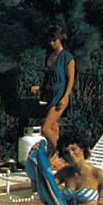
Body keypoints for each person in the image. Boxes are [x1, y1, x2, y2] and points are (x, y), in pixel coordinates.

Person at [30, 25, 75, 154]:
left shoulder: (67, 57)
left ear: (60, 39)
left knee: (45, 128)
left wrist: (65, 97)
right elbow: (47, 77)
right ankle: (54, 156)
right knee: (54, 130)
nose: (51, 43)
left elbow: (71, 80)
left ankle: (62, 154)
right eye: (49, 40)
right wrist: (40, 87)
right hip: (49, 94)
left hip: (60, 95)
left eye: (54, 40)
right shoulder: (49, 56)